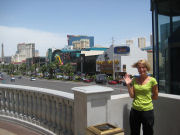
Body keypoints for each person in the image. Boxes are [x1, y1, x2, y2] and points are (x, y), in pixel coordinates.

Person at [124, 59, 158, 135]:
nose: (141, 69)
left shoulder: (152, 80)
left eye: (143, 67)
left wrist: (146, 99)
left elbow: (155, 96)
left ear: (147, 68)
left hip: (148, 111)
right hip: (135, 111)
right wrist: (128, 85)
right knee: (134, 133)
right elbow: (132, 95)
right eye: (139, 67)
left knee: (148, 133)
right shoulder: (134, 80)